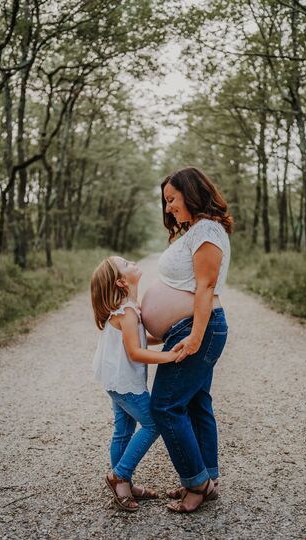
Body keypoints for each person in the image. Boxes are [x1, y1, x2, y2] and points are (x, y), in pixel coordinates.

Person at [141, 166, 232, 513]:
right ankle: (206, 478)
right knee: (195, 402)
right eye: (165, 202)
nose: (168, 208)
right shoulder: (196, 230)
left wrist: (194, 337)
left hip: (199, 329)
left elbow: (206, 286)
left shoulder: (207, 229)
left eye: (171, 199)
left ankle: (196, 483)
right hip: (190, 328)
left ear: (190, 192)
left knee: (164, 406)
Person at [90, 255, 179, 512]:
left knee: (124, 430)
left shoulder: (129, 309)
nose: (132, 262)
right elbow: (135, 353)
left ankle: (124, 485)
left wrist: (164, 338)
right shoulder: (127, 312)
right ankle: (120, 475)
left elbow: (139, 341)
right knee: (154, 423)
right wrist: (170, 356)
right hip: (126, 385)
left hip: (116, 382)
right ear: (120, 281)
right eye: (126, 264)